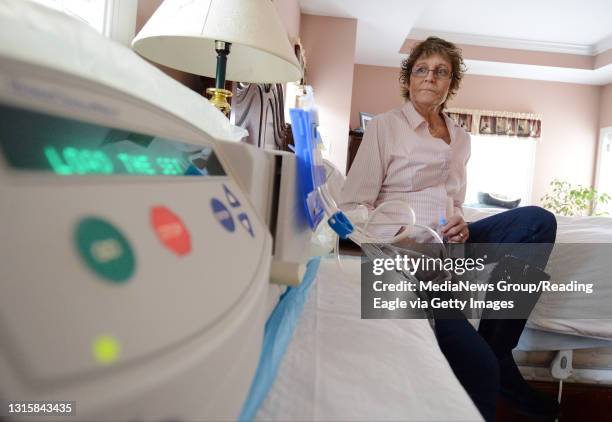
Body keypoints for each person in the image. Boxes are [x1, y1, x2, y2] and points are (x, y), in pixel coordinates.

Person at [340, 36, 558, 421]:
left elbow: (454, 198)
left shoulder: (461, 138)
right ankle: (492, 362)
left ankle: (498, 345)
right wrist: (398, 235)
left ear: (450, 83)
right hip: (407, 256)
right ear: (408, 79)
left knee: (537, 222)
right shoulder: (386, 128)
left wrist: (461, 223)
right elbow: (353, 207)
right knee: (478, 371)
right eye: (421, 70)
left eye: (441, 72)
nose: (430, 78)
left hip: (452, 247)